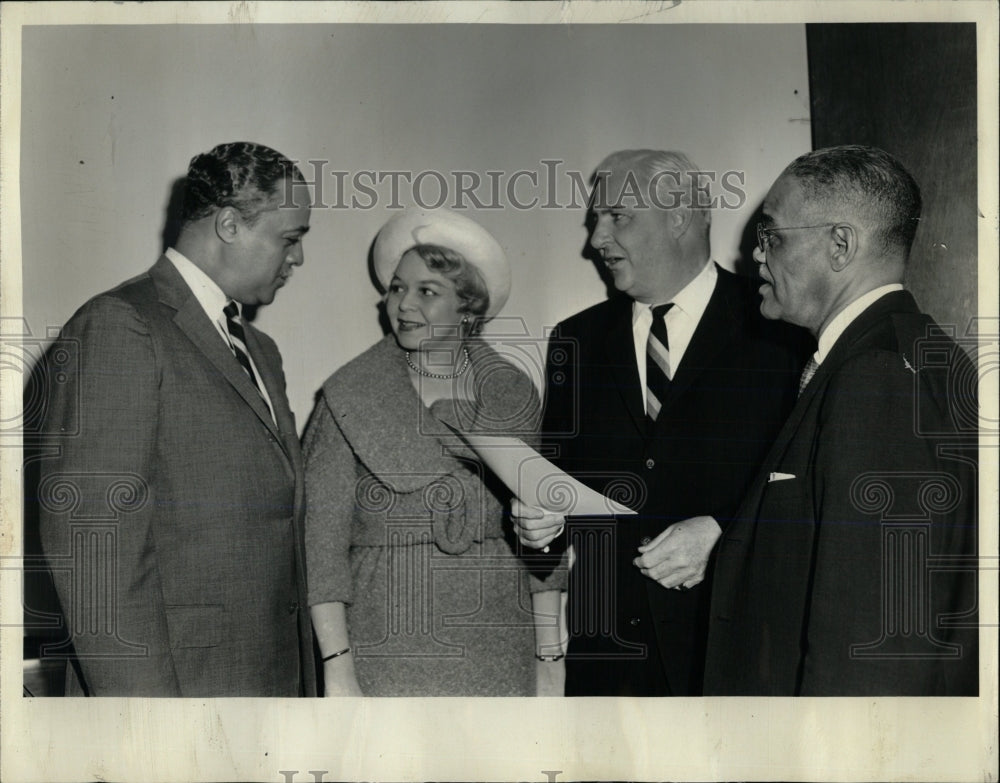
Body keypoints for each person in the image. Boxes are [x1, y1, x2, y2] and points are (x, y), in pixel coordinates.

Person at [513, 149, 808, 696]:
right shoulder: (575, 341)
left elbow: (808, 485)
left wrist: (722, 530)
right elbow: (557, 491)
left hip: (735, 654)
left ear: (678, 218)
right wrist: (540, 522)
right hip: (611, 664)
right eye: (596, 220)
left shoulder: (780, 326)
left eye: (617, 217)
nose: (596, 240)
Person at [35, 142, 315, 697]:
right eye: (290, 238)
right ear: (230, 224)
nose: (298, 259)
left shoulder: (261, 350)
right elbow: (96, 549)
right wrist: (149, 733)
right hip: (177, 704)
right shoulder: (121, 326)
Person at [703, 145, 978, 695]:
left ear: (841, 245)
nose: (756, 257)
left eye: (771, 235)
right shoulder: (915, 351)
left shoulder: (874, 377)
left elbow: (871, 644)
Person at [304, 208, 565, 696]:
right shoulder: (348, 395)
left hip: (499, 644)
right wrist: (337, 667)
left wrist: (549, 658)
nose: (403, 304)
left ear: (469, 307)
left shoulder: (511, 393)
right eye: (397, 287)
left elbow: (544, 551)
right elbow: (320, 549)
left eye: (427, 291)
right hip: (387, 643)